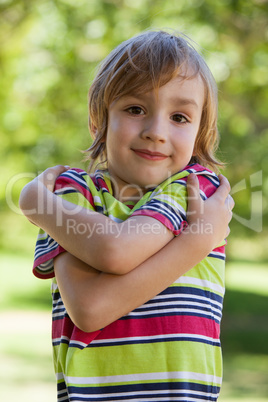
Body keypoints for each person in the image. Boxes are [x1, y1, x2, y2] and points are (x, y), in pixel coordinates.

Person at [20, 30, 234, 402]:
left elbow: (113, 252)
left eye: (180, 116)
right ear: (98, 120)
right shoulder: (71, 194)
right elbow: (90, 307)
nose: (156, 132)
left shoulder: (197, 190)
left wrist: (37, 203)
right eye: (135, 109)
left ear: (200, 134)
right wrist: (196, 241)